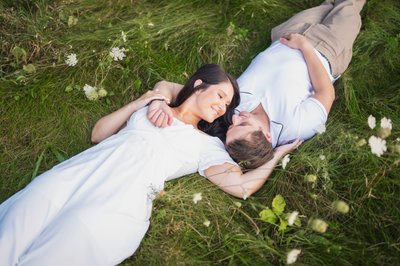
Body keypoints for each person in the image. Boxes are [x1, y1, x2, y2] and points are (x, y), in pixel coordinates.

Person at [0, 64, 300, 265]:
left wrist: (277, 154)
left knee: (70, 238)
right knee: (24, 214)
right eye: (220, 95)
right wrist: (144, 101)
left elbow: (242, 187)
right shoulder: (157, 105)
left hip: (119, 197)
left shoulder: (208, 147)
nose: (222, 106)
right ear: (198, 85)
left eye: (226, 104)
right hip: (79, 172)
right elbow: (98, 134)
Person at [148, 0, 365, 167]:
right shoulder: (296, 125)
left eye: (232, 126)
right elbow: (326, 93)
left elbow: (173, 88)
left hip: (287, 34)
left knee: (330, 4)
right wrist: (305, 47)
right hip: (326, 49)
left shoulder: (230, 110)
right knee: (349, 5)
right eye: (242, 124)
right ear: (268, 136)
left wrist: (159, 101)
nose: (234, 117)